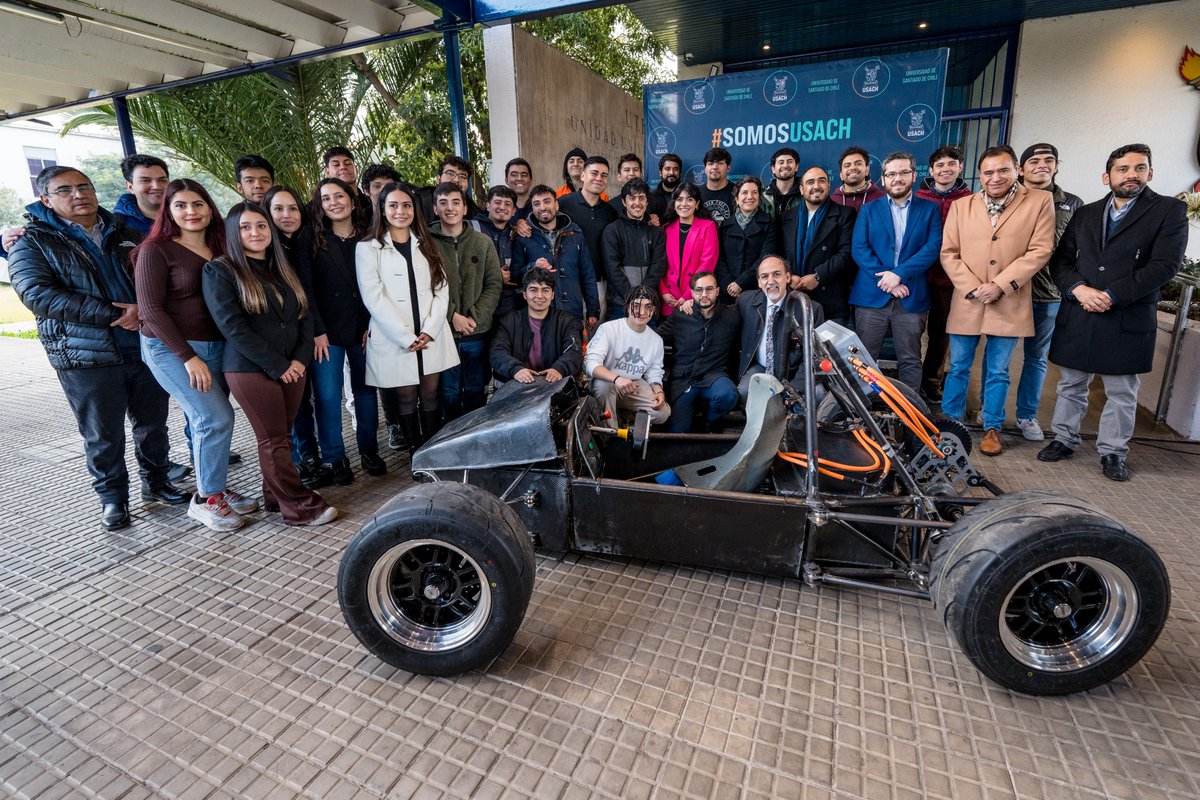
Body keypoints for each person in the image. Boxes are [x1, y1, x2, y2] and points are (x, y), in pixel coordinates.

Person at [8, 166, 187, 530]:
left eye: (84, 186)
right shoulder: (31, 241)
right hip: (85, 356)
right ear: (46, 199)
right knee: (102, 433)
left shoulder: (126, 231)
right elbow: (37, 294)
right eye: (65, 190)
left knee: (152, 424)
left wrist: (146, 311)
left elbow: (157, 275)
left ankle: (156, 483)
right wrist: (113, 314)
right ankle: (113, 499)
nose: (78, 195)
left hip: (143, 345)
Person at [1039, 143, 1188, 481]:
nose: (1131, 175)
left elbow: (1164, 266)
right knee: (1071, 384)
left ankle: (1113, 452)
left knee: (1121, 392)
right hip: (1081, 310)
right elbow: (1061, 261)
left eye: (1139, 168)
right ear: (1107, 176)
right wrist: (1078, 289)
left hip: (1126, 314)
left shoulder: (1168, 211)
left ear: (1150, 173)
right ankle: (1064, 438)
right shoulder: (1086, 213)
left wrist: (1112, 295)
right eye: (1123, 169)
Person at [201, 203, 338, 526]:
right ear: (233, 233)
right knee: (273, 438)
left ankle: (275, 497)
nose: (255, 233)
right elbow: (232, 327)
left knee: (282, 436)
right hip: (250, 369)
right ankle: (299, 507)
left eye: (261, 226)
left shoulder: (282, 268)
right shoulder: (220, 271)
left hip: (293, 365)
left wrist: (299, 359)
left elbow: (305, 315)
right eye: (246, 227)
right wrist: (279, 365)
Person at [134, 179, 259, 531]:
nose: (191, 212)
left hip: (217, 346)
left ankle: (215, 486)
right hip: (172, 348)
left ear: (209, 207)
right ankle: (205, 500)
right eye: (181, 205)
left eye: (198, 204)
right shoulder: (156, 249)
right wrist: (187, 356)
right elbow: (150, 310)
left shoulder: (222, 245)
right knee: (214, 418)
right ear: (169, 211)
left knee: (207, 420)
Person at [940, 145, 1055, 456]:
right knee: (958, 366)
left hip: (1009, 299)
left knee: (999, 370)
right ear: (979, 175)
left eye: (1002, 170)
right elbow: (949, 253)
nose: (995, 177)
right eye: (988, 172)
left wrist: (1001, 285)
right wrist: (974, 287)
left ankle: (992, 426)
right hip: (969, 299)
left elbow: (1040, 250)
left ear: (1016, 169)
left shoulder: (1039, 201)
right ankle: (950, 423)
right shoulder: (962, 206)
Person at [356, 182, 458, 454]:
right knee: (405, 396)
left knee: (430, 393)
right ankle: (415, 451)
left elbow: (442, 290)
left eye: (406, 205)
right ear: (382, 209)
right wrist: (405, 337)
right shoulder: (367, 248)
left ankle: (432, 452)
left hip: (429, 333)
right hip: (395, 337)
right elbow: (373, 298)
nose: (400, 211)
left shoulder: (427, 244)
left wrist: (431, 330)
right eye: (393, 205)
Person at [294, 177, 382, 483]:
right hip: (325, 333)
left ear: (352, 198)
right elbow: (304, 288)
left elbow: (379, 286)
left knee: (366, 393)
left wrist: (373, 325)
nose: (334, 202)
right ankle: (335, 458)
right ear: (320, 205)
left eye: (339, 196)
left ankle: (369, 450)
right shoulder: (310, 238)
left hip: (364, 329)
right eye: (326, 198)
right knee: (328, 397)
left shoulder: (370, 236)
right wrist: (317, 329)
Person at [1008, 142, 1085, 440]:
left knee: (1036, 358)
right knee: (997, 357)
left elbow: (1077, 250)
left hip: (1048, 294)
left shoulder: (1072, 203)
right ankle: (990, 415)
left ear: (1056, 165)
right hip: (1010, 291)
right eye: (1034, 160)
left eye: (1049, 160)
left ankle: (1027, 416)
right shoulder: (1005, 198)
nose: (1042, 165)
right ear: (1021, 168)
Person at [849, 152, 943, 390]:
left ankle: (909, 412)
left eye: (903, 173)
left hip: (911, 295)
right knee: (864, 359)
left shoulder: (930, 209)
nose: (897, 178)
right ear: (883, 179)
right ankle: (864, 409)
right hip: (871, 295)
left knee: (910, 359)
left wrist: (899, 274)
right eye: (891, 174)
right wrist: (887, 279)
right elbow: (860, 249)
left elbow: (932, 248)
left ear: (914, 175)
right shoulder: (869, 210)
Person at [263, 184, 329, 486]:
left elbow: (310, 295)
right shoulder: (265, 250)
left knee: (305, 400)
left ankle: (309, 457)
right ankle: (294, 467)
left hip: (305, 334)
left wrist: (315, 331)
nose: (287, 215)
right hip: (278, 342)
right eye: (279, 209)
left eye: (292, 208)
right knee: (288, 408)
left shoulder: (305, 241)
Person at [429, 181, 503, 420]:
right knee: (448, 392)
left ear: (465, 209)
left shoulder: (483, 243)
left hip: (477, 331)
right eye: (443, 203)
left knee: (475, 390)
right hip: (442, 332)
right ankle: (450, 439)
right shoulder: (426, 243)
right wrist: (451, 316)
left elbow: (494, 283)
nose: (449, 208)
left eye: (455, 202)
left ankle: (475, 437)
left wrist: (474, 317)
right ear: (435, 209)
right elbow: (424, 287)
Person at [916, 145, 973, 402]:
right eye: (940, 165)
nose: (945, 169)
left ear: (960, 167)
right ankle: (910, 381)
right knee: (910, 332)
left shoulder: (970, 199)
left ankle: (931, 382)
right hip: (917, 275)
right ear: (931, 170)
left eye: (951, 164)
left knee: (941, 333)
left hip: (949, 279)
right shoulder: (918, 197)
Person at [659, 271, 741, 433]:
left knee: (728, 395)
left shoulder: (732, 317)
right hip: (684, 381)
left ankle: (710, 422)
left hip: (714, 376)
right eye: (699, 290)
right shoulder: (681, 315)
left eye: (709, 289)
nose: (704, 294)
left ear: (717, 291)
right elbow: (655, 338)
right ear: (691, 293)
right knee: (677, 432)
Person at [510, 184, 599, 329]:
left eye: (547, 201)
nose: (542, 207)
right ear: (532, 208)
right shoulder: (524, 236)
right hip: (539, 313)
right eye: (536, 204)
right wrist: (532, 267)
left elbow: (587, 273)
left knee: (573, 351)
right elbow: (515, 274)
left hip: (572, 309)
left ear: (556, 205)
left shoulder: (575, 232)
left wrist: (593, 309)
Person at [778, 166, 857, 325]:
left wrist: (817, 276)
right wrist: (788, 275)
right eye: (810, 182)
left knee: (828, 350)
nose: (816, 186)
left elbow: (846, 254)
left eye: (822, 181)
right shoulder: (786, 217)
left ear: (828, 185)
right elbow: (778, 252)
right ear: (801, 189)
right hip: (792, 295)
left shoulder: (845, 214)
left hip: (830, 299)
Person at [584, 285, 670, 428]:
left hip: (634, 384)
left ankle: (625, 418)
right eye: (636, 306)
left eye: (648, 307)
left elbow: (654, 373)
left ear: (653, 310)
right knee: (604, 387)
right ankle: (611, 434)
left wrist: (659, 391)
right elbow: (590, 364)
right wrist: (617, 379)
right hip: (607, 382)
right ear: (628, 306)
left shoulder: (656, 340)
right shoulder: (609, 329)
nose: (642, 312)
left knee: (662, 413)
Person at [736, 256, 820, 401]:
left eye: (776, 274)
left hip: (795, 373)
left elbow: (814, 357)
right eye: (764, 276)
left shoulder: (810, 309)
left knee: (817, 394)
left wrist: (793, 389)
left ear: (787, 277)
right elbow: (722, 315)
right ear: (759, 282)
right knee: (744, 390)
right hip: (761, 368)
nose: (771, 281)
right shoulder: (746, 301)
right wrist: (695, 305)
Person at [490, 268, 584, 384]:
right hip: (516, 384)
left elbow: (574, 352)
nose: (539, 296)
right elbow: (497, 352)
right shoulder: (508, 322)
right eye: (533, 290)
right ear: (524, 294)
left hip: (553, 384)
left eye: (545, 290)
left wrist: (558, 369)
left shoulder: (566, 321)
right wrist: (516, 369)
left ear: (553, 295)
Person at [558, 156, 619, 316]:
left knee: (595, 335)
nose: (599, 178)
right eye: (594, 173)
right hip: (568, 281)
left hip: (599, 283)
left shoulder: (610, 212)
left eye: (604, 175)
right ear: (583, 175)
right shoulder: (562, 204)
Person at [601, 178, 666, 321]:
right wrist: (632, 297)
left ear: (647, 202)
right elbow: (612, 269)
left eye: (642, 198)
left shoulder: (657, 232)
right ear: (624, 202)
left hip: (648, 305)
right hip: (620, 305)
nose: (637, 203)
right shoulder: (612, 230)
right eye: (632, 198)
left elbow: (658, 267)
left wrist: (643, 297)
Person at [659, 182, 719, 317]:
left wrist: (688, 295)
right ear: (674, 204)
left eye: (690, 199)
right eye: (679, 199)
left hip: (695, 296)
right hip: (670, 299)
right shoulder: (666, 229)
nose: (684, 204)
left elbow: (707, 264)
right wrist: (663, 292)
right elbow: (659, 263)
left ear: (697, 204)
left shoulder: (708, 227)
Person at [716, 176, 776, 304]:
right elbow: (719, 258)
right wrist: (729, 284)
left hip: (756, 288)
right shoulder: (725, 225)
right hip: (727, 290)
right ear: (737, 199)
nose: (750, 197)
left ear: (759, 197)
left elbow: (766, 257)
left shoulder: (770, 223)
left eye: (754, 192)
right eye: (744, 192)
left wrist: (741, 283)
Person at [475, 185, 520, 320]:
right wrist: (495, 275)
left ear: (513, 211)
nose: (502, 207)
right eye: (497, 202)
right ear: (488, 205)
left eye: (507, 204)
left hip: (509, 309)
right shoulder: (471, 229)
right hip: (477, 307)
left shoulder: (516, 233)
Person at [114, 154, 170, 235]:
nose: (156, 186)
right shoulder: (117, 225)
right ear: (130, 187)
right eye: (145, 180)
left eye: (162, 180)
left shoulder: (186, 214)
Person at [418, 155, 483, 222]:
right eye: (450, 174)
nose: (456, 180)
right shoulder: (420, 202)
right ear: (438, 179)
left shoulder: (476, 215)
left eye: (462, 177)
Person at [323, 146, 373, 218]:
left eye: (348, 163)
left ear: (356, 169)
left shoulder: (371, 203)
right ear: (327, 172)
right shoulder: (318, 207)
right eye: (336, 165)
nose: (343, 167)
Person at [831, 146, 885, 210]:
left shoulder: (883, 199)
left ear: (867, 170)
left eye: (858, 164)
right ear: (841, 175)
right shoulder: (831, 202)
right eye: (847, 165)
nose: (853, 168)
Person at [700, 147, 736, 223]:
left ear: (728, 168)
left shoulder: (738, 192)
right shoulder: (696, 194)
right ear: (705, 169)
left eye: (720, 163)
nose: (715, 167)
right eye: (710, 163)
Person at [763, 147, 802, 217]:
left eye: (790, 162)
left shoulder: (805, 194)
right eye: (781, 162)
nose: (785, 165)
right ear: (773, 169)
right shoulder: (762, 195)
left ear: (796, 167)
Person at [649, 153, 682, 223]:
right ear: (660, 172)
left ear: (680, 172)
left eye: (675, 169)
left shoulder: (687, 195)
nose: (671, 173)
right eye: (667, 169)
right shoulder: (651, 197)